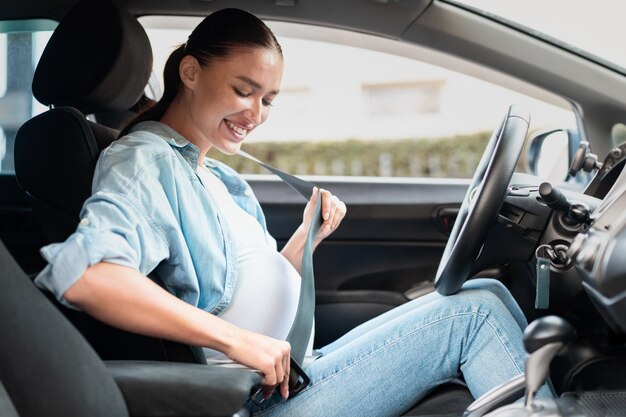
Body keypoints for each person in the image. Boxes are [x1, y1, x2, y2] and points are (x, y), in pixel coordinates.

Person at [33, 7, 552, 417]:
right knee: (474, 314)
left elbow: (234, 287)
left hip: (292, 371)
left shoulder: (211, 172)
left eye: (269, 100)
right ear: (190, 72)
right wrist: (241, 342)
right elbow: (90, 276)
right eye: (243, 90)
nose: (255, 114)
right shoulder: (142, 161)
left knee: (484, 292)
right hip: (242, 398)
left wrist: (307, 238)